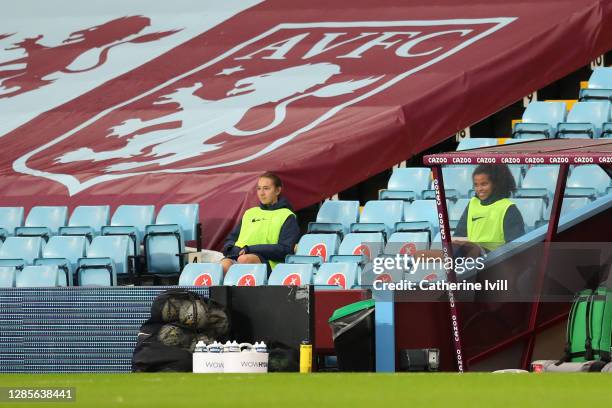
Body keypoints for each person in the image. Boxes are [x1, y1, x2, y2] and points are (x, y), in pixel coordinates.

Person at [221, 172, 300, 274]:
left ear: (278, 190)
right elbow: (231, 239)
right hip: (241, 256)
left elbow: (285, 249)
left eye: (266, 188)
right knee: (224, 265)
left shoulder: (287, 216)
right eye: (259, 188)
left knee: (245, 260)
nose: (261, 193)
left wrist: (250, 249)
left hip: (270, 263)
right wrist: (230, 248)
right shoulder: (249, 213)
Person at [453, 164, 525, 252]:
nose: (479, 189)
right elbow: (459, 235)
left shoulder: (508, 208)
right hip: (472, 258)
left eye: (484, 184)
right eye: (476, 185)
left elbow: (514, 247)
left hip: (496, 261)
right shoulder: (472, 203)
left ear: (496, 184)